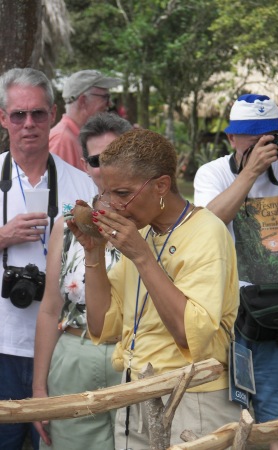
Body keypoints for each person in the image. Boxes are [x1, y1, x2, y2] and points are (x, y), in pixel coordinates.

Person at [67, 128, 241, 449]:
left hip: (194, 397)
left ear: (161, 185)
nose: (113, 206)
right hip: (137, 393)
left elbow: (190, 334)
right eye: (107, 194)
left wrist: (141, 256)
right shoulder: (145, 234)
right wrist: (93, 251)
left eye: (122, 193)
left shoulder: (206, 232)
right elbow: (101, 325)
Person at [194, 94, 278, 450]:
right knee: (219, 431)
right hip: (227, 320)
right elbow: (206, 226)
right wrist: (251, 172)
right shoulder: (212, 174)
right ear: (231, 139)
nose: (262, 147)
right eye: (252, 140)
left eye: (269, 138)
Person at [0, 67, 97, 450]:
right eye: (18, 114)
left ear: (53, 114)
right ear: (3, 117)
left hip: (61, 347)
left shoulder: (81, 184)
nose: (29, 124)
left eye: (38, 113)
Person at [33, 112, 133, 449]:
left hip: (136, 355)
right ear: (84, 164)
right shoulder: (66, 224)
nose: (107, 168)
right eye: (97, 160)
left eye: (117, 156)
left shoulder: (154, 225)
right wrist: (39, 391)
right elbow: (50, 309)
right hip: (74, 354)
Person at [49, 69, 121, 170]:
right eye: (105, 97)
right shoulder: (62, 141)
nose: (109, 104)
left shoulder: (76, 137)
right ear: (83, 101)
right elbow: (54, 185)